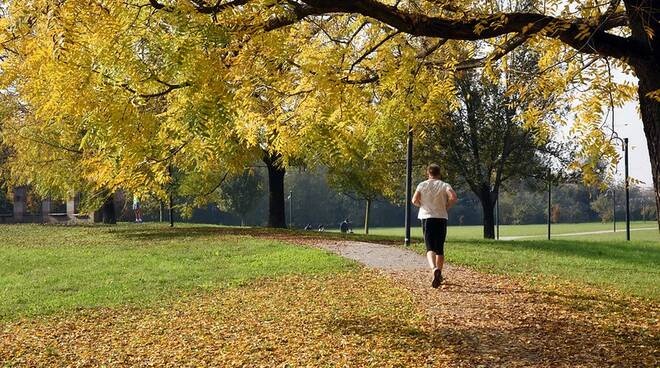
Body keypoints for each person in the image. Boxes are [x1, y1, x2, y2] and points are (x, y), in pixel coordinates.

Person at [412, 163, 458, 288]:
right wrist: (446, 206)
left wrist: (421, 206)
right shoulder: (444, 185)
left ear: (428, 173)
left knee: (429, 247)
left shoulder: (422, 185)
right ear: (439, 173)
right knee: (440, 248)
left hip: (427, 218)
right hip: (441, 217)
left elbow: (414, 200)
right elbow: (453, 197)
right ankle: (439, 273)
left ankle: (434, 269)